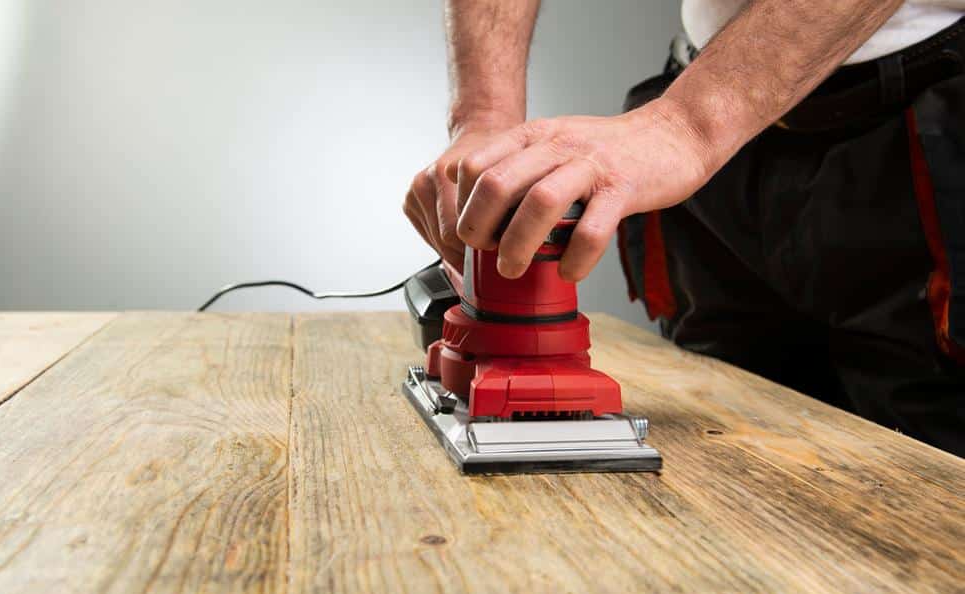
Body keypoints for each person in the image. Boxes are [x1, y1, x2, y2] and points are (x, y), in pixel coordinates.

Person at [402, 0, 965, 456]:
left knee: (929, 484)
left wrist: (690, 124)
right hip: (718, 122)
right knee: (723, 461)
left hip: (910, 135)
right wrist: (484, 122)